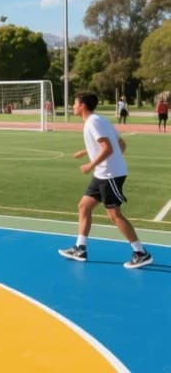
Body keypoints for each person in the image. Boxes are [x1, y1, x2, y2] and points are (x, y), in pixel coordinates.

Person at [58, 93, 152, 269]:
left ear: (83, 105)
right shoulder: (100, 120)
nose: (73, 106)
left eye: (75, 103)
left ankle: (141, 252)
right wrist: (87, 152)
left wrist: (91, 165)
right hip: (104, 173)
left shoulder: (93, 123)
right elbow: (120, 145)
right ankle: (80, 248)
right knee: (84, 206)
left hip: (109, 175)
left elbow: (108, 148)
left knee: (114, 215)